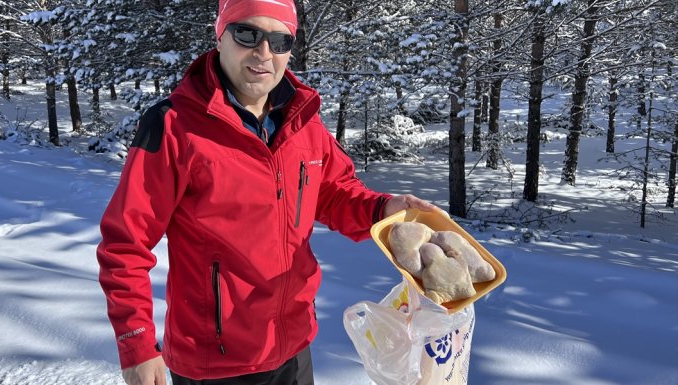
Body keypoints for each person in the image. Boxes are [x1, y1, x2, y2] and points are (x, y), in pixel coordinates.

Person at [96, 0, 437, 384]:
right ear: (220, 34)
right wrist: (137, 345)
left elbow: (334, 194)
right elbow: (125, 244)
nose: (263, 53)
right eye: (248, 34)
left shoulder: (301, 120)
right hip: (214, 361)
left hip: (292, 345)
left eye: (280, 41)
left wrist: (383, 209)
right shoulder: (175, 126)